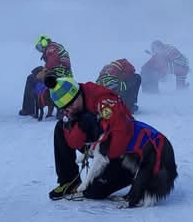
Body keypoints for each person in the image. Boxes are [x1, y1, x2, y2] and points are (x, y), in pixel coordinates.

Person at [45, 76, 177, 206]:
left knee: (93, 192)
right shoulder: (72, 109)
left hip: (122, 150)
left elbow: (122, 131)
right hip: (101, 146)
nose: (70, 109)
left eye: (72, 104)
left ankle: (133, 175)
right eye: (65, 109)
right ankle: (69, 181)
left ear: (78, 93)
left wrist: (102, 154)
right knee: (61, 128)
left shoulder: (103, 100)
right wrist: (83, 134)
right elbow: (74, 141)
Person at [19, 35, 73, 116]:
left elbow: (52, 61)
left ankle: (28, 109)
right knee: (37, 79)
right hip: (65, 75)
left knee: (30, 78)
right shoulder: (57, 47)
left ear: (45, 42)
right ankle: (45, 102)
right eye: (38, 48)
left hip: (58, 75)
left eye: (40, 46)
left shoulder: (51, 48)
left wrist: (43, 71)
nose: (40, 50)